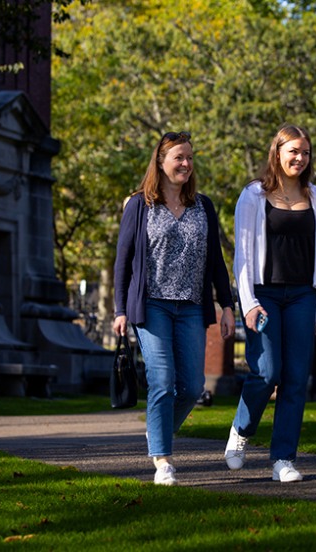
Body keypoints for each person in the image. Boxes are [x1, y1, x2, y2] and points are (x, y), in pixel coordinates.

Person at [112, 131, 235, 486]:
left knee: (193, 387)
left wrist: (227, 305)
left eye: (190, 158)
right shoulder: (139, 205)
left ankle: (157, 431)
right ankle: (164, 461)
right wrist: (120, 309)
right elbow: (123, 262)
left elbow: (216, 261)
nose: (186, 164)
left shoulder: (203, 206)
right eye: (179, 157)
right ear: (161, 162)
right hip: (152, 307)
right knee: (162, 382)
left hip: (192, 306)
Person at [225, 124, 316, 482]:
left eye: (305, 153)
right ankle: (241, 429)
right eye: (293, 151)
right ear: (277, 153)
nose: (299, 158)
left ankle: (283, 459)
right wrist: (249, 303)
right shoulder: (253, 195)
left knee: (296, 379)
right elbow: (242, 255)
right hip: (265, 295)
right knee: (267, 372)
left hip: (303, 294)